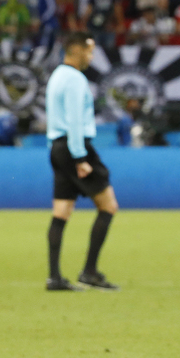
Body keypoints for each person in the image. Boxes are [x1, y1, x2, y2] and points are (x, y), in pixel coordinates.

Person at [45, 32, 120, 291]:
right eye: (89, 51)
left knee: (61, 212)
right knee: (108, 206)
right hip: (75, 147)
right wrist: (80, 157)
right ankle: (89, 271)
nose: (91, 56)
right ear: (77, 50)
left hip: (56, 146)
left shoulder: (56, 76)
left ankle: (54, 277)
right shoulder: (76, 79)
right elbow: (75, 119)